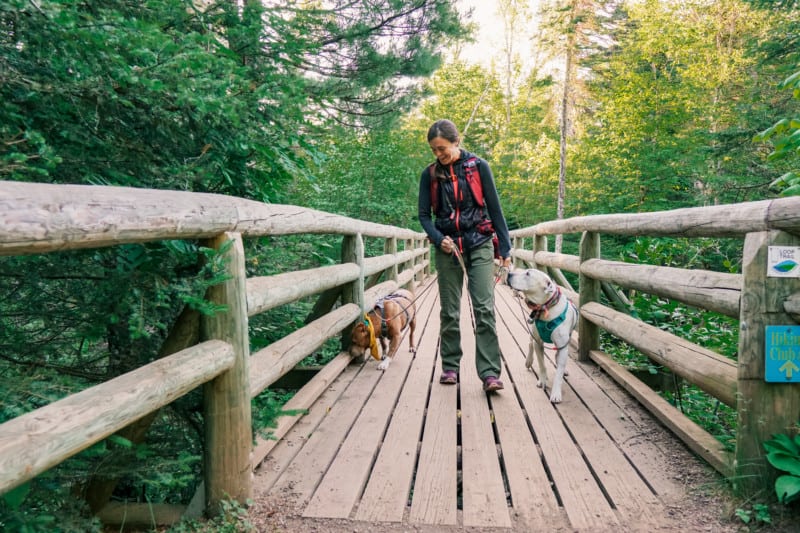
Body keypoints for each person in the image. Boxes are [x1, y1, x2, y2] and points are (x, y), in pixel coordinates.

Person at [418, 119, 512, 392]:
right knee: (449, 310)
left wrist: (504, 249)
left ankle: (490, 374)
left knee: (483, 308)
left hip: (480, 243)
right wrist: (439, 239)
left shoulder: (479, 167)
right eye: (434, 150)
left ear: (456, 141)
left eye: (442, 148)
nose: (439, 154)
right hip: (448, 247)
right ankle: (450, 367)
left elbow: (495, 209)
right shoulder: (430, 174)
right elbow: (424, 216)